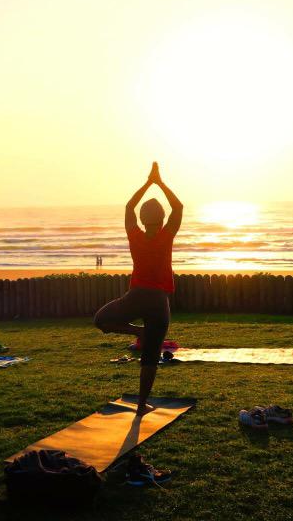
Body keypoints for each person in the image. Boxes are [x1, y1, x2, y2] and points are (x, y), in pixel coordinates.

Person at [94, 162, 183, 416]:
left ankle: (139, 331)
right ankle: (142, 405)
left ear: (143, 219)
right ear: (163, 218)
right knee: (150, 358)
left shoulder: (135, 234)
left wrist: (148, 183)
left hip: (135, 297)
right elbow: (178, 207)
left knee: (101, 320)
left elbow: (129, 207)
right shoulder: (167, 235)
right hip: (158, 304)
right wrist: (160, 182)